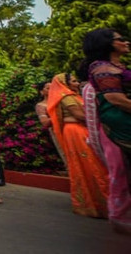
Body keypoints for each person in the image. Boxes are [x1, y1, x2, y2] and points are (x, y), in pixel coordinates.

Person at [79, 28, 131, 234]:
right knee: (120, 170)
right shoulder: (101, 68)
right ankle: (120, 215)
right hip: (117, 126)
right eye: (120, 39)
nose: (126, 42)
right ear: (107, 44)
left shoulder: (115, 66)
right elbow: (114, 99)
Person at [47, 72, 109, 218]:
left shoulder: (75, 95)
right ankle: (93, 204)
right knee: (89, 163)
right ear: (65, 84)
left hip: (83, 130)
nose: (76, 83)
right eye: (73, 81)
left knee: (95, 162)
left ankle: (101, 203)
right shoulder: (67, 98)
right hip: (75, 132)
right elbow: (79, 115)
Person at [35, 80, 67, 167]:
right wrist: (58, 114)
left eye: (53, 88)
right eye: (48, 88)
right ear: (42, 91)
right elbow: (45, 122)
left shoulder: (63, 101)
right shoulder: (41, 106)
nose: (51, 90)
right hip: (58, 131)